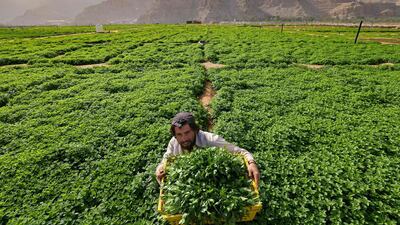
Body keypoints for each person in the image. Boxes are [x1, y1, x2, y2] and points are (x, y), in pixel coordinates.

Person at [155, 112, 260, 187]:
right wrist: (160, 168)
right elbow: (166, 158)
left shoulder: (211, 140)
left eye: (187, 133)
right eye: (179, 134)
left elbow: (240, 151)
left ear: (195, 130)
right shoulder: (174, 142)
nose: (184, 139)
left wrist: (251, 163)